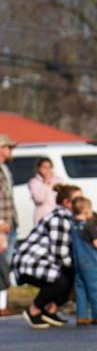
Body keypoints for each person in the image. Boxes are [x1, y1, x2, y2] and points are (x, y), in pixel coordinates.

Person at [11, 184, 81, 328]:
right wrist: (79, 267)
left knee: (69, 277)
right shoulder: (60, 219)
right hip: (30, 262)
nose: (81, 201)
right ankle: (34, 310)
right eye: (77, 199)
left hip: (45, 262)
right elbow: (60, 253)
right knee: (62, 280)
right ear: (66, 202)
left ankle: (49, 310)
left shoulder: (69, 218)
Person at [71, 198, 97, 326]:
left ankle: (81, 316)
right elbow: (96, 243)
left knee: (80, 288)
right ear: (86, 210)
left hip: (77, 260)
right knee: (95, 288)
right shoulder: (89, 226)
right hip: (89, 260)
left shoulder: (73, 226)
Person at [0, 134, 15, 314]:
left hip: (9, 221)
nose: (11, 151)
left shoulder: (5, 169)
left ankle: (3, 302)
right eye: (8, 147)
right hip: (1, 222)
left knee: (5, 263)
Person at [27, 158, 57, 222]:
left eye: (49, 167)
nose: (47, 170)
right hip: (42, 217)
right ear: (39, 169)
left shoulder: (58, 180)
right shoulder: (34, 182)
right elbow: (39, 199)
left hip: (56, 215)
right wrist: (45, 183)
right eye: (44, 167)